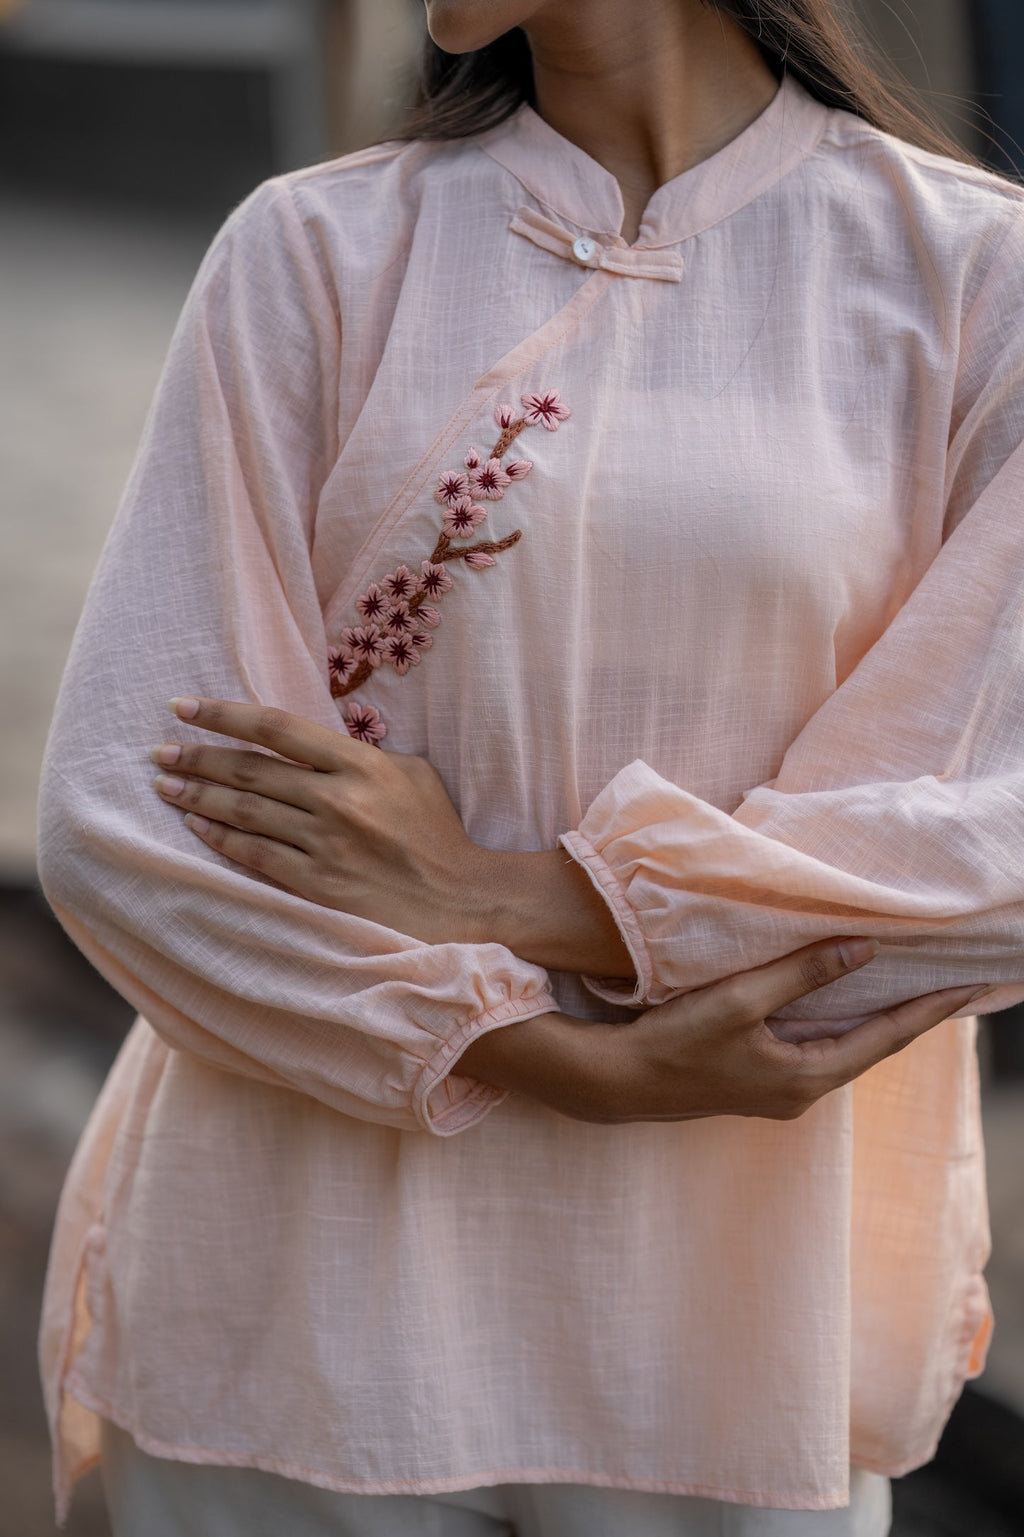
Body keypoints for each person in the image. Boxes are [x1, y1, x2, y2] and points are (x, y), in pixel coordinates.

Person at [36, 0, 1024, 1532]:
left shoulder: (970, 275)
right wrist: (545, 1053)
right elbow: (124, 813)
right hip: (295, 1331)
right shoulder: (316, 254)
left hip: (719, 1353)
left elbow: (995, 847)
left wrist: (526, 897)